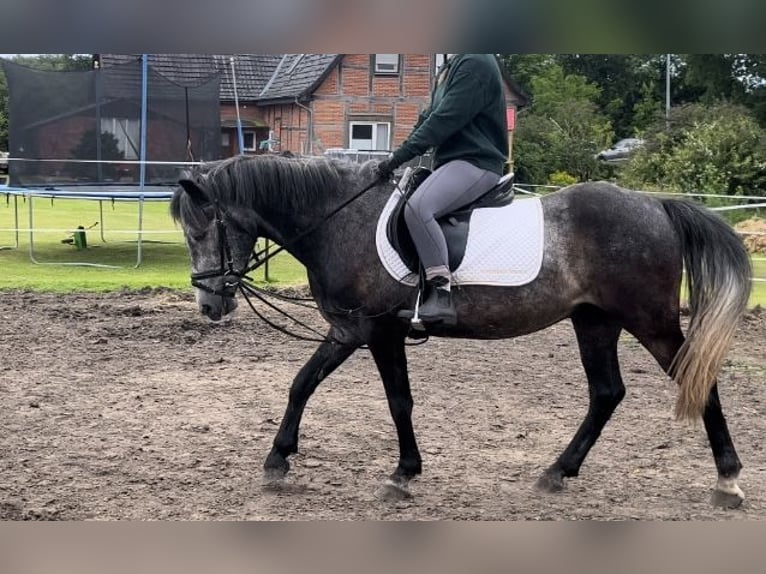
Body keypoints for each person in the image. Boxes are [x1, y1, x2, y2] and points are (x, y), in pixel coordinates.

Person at [376, 54, 509, 325]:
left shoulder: (477, 62)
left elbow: (444, 121)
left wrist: (398, 158)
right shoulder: (449, 68)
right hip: (452, 163)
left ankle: (441, 294)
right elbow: (428, 118)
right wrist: (396, 157)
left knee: (418, 207)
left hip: (476, 161)